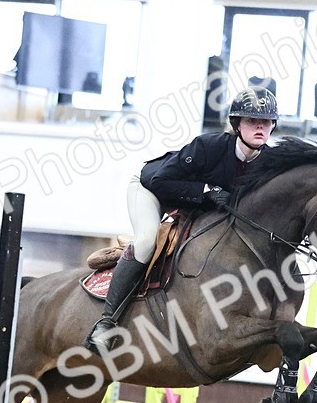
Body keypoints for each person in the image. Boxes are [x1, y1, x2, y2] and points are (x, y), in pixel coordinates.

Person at [85, 85, 279, 353]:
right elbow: (160, 180)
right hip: (152, 190)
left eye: (266, 122)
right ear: (237, 124)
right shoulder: (209, 146)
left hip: (194, 206)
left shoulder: (270, 163)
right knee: (146, 241)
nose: (260, 127)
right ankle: (106, 322)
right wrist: (206, 190)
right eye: (252, 120)